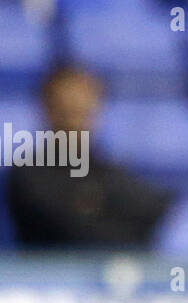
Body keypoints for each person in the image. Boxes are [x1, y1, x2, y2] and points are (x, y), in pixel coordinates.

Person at [6, 65, 172, 248]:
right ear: (47, 110)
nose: (75, 124)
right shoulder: (28, 173)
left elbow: (155, 210)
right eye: (67, 112)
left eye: (82, 112)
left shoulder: (108, 170)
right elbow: (70, 230)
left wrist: (92, 204)